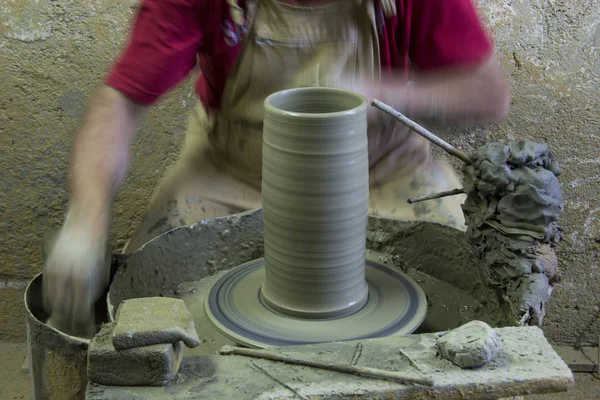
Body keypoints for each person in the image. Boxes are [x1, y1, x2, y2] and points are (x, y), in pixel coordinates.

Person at [43, 0, 510, 335]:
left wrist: (390, 93)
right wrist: (85, 219)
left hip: (384, 168)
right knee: (149, 293)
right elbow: (121, 101)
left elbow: (489, 92)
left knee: (473, 287)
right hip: (234, 170)